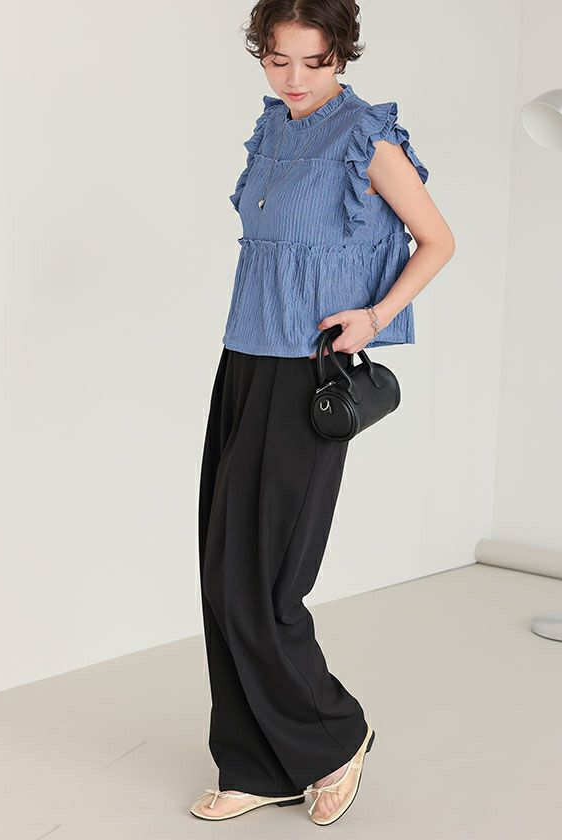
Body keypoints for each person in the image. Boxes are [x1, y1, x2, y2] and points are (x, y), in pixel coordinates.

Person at [190, 0, 455, 827]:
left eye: (313, 61)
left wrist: (374, 317)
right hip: (243, 362)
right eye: (278, 60)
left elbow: (438, 239)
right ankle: (256, 762)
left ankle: (334, 737)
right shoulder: (272, 129)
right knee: (222, 575)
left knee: (266, 585)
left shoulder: (367, 137)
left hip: (308, 376)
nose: (295, 78)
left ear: (341, 54)